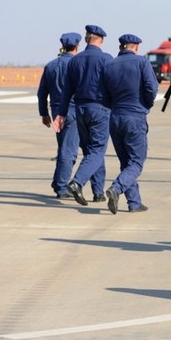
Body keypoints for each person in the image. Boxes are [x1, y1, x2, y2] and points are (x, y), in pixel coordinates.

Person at [53, 24, 113, 206]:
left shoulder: (74, 61)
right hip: (100, 109)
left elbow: (67, 91)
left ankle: (98, 192)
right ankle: (77, 182)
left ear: (86, 39)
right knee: (97, 150)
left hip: (80, 110)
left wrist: (61, 113)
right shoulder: (106, 59)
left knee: (91, 151)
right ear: (101, 40)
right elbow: (113, 86)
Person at [102, 34, 159, 213]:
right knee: (136, 162)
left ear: (121, 47)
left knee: (126, 161)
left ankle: (134, 202)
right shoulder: (142, 62)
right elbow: (152, 88)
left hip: (115, 117)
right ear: (136, 47)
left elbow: (103, 93)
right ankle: (116, 188)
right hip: (134, 117)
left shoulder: (109, 65)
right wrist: (145, 105)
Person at [37, 32, 82, 199]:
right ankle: (62, 187)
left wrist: (44, 113)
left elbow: (42, 93)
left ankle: (58, 182)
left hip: (56, 111)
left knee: (63, 148)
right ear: (77, 46)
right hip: (72, 111)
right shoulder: (77, 64)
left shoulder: (51, 65)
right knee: (69, 151)